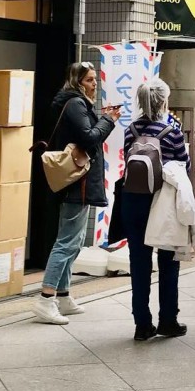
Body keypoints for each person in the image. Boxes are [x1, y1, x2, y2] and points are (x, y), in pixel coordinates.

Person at [33, 62, 120, 325]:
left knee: (74, 239)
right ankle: (46, 299)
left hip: (78, 182)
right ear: (78, 82)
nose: (95, 84)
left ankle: (63, 295)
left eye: (94, 79)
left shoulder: (74, 104)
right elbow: (90, 137)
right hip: (77, 183)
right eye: (90, 80)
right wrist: (108, 120)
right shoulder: (75, 104)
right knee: (67, 241)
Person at [122, 78, 190, 341]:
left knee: (138, 263)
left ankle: (142, 324)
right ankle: (168, 320)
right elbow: (184, 166)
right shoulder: (171, 132)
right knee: (168, 262)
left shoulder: (131, 130)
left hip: (133, 201)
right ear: (163, 101)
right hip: (163, 203)